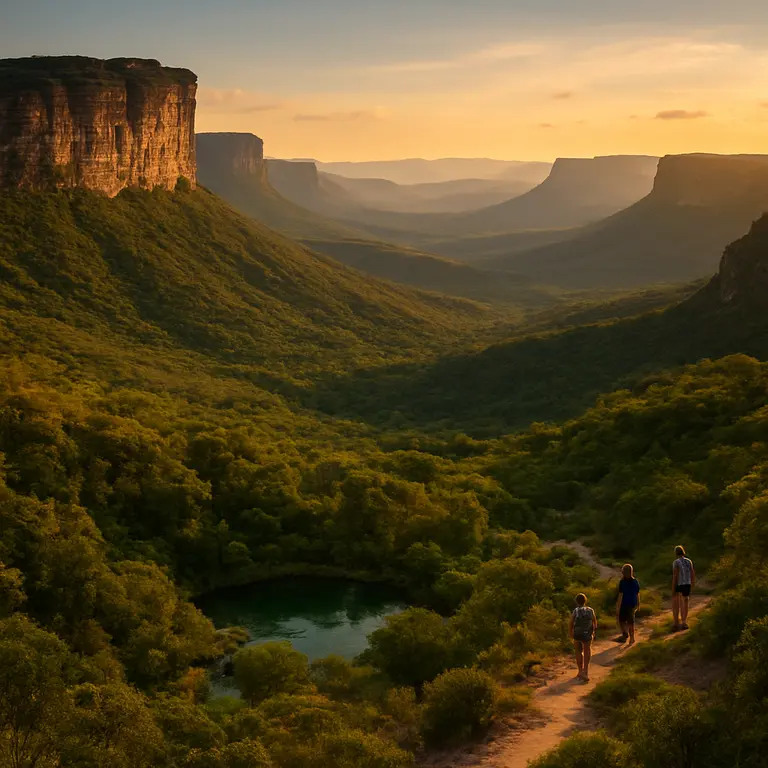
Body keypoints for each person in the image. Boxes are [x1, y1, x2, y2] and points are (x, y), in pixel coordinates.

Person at [569, 593, 598, 682]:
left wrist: (571, 633)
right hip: (587, 634)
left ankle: (580, 671)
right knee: (587, 650)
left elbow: (571, 622)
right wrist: (593, 632)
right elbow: (594, 623)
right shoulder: (590, 610)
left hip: (577, 633)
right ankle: (585, 671)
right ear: (585, 601)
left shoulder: (576, 610)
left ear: (576, 601)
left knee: (578, 651)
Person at [672, 545, 696, 631]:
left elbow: (675, 575)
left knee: (676, 602)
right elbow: (692, 573)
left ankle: (675, 622)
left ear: (676, 553)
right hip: (687, 583)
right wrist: (692, 583)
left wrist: (673, 587)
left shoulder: (676, 562)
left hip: (679, 584)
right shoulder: (689, 561)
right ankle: (684, 621)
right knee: (685, 602)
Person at [615, 563, 640, 645]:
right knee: (624, 621)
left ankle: (630, 637)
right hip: (628, 604)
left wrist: (618, 607)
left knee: (629, 622)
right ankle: (626, 635)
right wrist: (638, 604)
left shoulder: (627, 582)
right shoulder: (631, 582)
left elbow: (621, 595)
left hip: (629, 605)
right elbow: (637, 594)